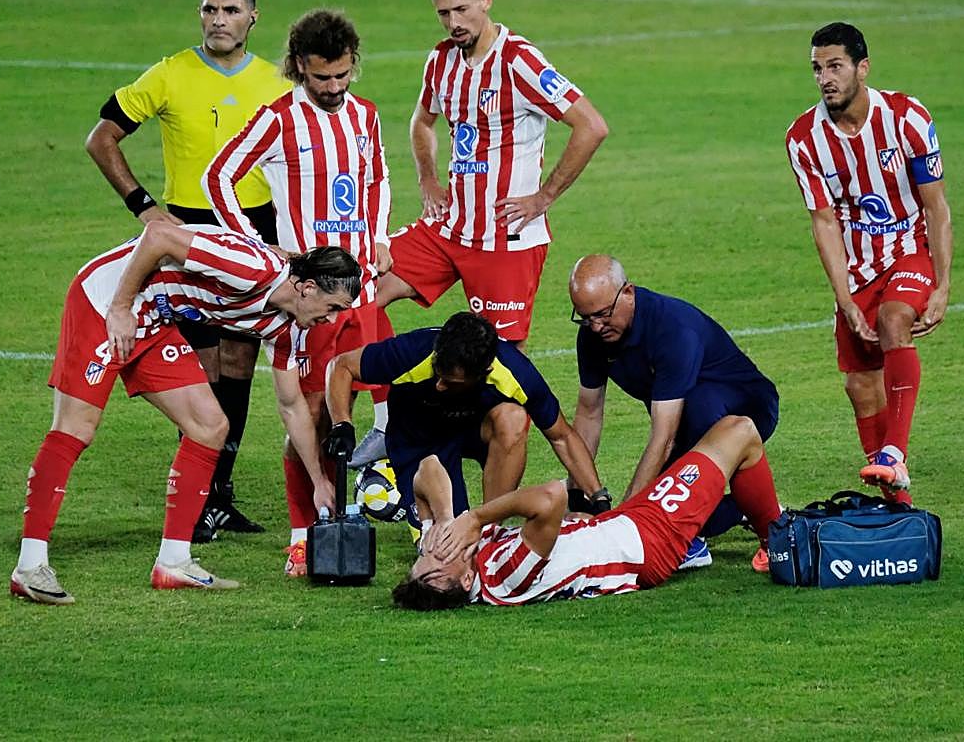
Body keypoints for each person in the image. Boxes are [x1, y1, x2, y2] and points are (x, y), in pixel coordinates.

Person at [9, 222, 360, 605]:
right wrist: (121, 308)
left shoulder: (286, 327)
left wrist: (318, 481)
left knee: (210, 426)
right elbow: (158, 234)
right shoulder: (249, 267)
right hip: (105, 303)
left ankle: (173, 562)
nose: (332, 320)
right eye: (332, 308)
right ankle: (29, 567)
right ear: (308, 288)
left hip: (155, 319)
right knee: (77, 427)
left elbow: (291, 406)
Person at [84, 0, 292, 541]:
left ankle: (218, 495)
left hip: (258, 233)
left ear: (253, 17)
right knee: (200, 373)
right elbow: (100, 138)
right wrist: (145, 207)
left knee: (239, 367)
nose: (218, 19)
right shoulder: (171, 73)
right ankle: (195, 502)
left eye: (229, 10)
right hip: (190, 235)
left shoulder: (278, 82)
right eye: (209, 10)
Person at [203, 8, 394, 576]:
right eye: (321, 78)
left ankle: (388, 506)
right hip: (308, 306)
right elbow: (219, 177)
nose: (333, 88)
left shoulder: (366, 115)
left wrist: (380, 236)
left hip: (360, 292)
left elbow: (377, 177)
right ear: (298, 70)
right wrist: (260, 248)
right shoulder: (278, 119)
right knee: (307, 418)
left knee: (374, 406)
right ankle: (301, 535)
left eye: (341, 76)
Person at [372, 0, 608, 391]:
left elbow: (591, 125)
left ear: (486, 1)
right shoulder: (441, 60)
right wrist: (427, 179)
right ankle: (388, 422)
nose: (453, 22)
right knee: (366, 289)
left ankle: (499, 441)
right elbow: (422, 121)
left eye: (462, 9)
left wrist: (542, 199)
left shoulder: (520, 62)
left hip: (506, 237)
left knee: (501, 361)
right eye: (444, 13)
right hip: (449, 228)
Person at [785, 22, 953, 505]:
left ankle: (894, 451)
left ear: (863, 67)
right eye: (817, 68)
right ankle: (895, 500)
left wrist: (942, 284)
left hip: (909, 251)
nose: (825, 78)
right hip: (857, 267)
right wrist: (843, 299)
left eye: (834, 66)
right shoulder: (803, 139)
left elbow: (936, 206)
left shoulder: (908, 117)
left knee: (894, 319)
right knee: (861, 385)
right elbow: (824, 222)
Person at [392, 415, 770, 609]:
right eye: (441, 559)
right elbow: (553, 496)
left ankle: (770, 535)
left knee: (728, 438)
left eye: (427, 555)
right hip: (645, 544)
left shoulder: (451, 550)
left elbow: (428, 469)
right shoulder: (505, 577)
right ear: (466, 581)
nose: (439, 550)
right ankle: (777, 543)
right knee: (740, 431)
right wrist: (474, 518)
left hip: (619, 525)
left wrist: (443, 521)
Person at [569, 255, 782, 572]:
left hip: (744, 408)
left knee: (693, 419)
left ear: (628, 292)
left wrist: (623, 519)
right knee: (673, 467)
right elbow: (588, 414)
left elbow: (664, 438)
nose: (596, 326)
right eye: (585, 318)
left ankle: (692, 539)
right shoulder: (592, 336)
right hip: (685, 418)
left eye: (603, 314)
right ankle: (743, 506)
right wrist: (579, 498)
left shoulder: (673, 329)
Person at [325, 311, 611, 543]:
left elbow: (562, 437)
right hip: (418, 442)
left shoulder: (515, 373)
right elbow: (341, 367)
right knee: (444, 542)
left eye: (451, 383)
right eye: (439, 374)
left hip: (472, 431)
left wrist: (598, 498)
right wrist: (342, 423)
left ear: (484, 373)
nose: (439, 385)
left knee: (512, 418)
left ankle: (490, 531)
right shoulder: (412, 351)